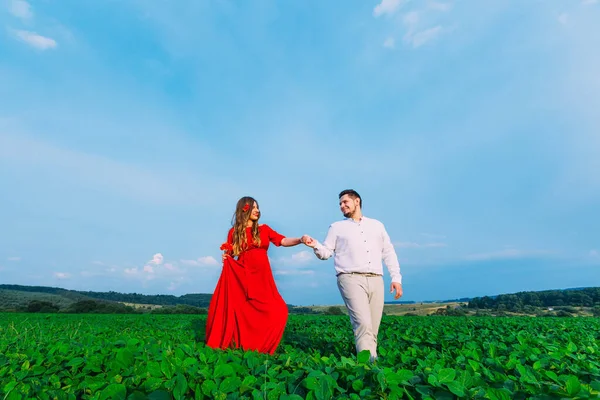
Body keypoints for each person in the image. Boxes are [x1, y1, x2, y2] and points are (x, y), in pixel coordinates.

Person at [302, 189, 402, 361]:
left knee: (373, 327)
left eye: (345, 202)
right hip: (350, 278)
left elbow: (388, 252)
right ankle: (369, 367)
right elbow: (326, 252)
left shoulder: (377, 225)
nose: (342, 206)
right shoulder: (336, 227)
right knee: (362, 323)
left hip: (376, 278)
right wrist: (315, 245)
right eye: (340, 204)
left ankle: (370, 361)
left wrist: (396, 278)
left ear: (357, 201)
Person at [205, 196, 307, 355]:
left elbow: (282, 240)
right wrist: (226, 257)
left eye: (257, 208)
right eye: (253, 207)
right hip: (244, 276)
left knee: (279, 309)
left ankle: (263, 346)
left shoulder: (264, 229)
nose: (257, 210)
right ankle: (245, 347)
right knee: (245, 311)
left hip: (263, 277)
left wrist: (300, 239)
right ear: (244, 209)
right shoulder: (234, 232)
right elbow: (231, 254)